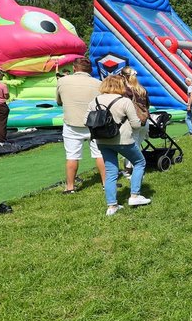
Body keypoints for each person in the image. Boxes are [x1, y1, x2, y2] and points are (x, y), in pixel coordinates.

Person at [88, 75, 149, 216]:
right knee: (139, 162)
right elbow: (135, 124)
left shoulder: (94, 101)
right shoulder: (125, 101)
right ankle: (135, 195)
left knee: (111, 172)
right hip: (123, 140)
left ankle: (112, 205)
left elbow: (87, 120)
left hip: (102, 141)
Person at [55, 58, 106, 192]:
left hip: (72, 123)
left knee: (72, 155)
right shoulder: (98, 84)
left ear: (74, 68)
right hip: (93, 123)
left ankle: (70, 187)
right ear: (90, 70)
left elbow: (59, 101)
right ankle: (106, 183)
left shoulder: (62, 81)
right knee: (100, 154)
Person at [119, 67, 150, 176]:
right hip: (144, 121)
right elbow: (147, 105)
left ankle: (133, 171)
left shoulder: (125, 90)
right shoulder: (142, 89)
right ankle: (130, 169)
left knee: (132, 148)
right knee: (136, 147)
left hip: (133, 122)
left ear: (123, 76)